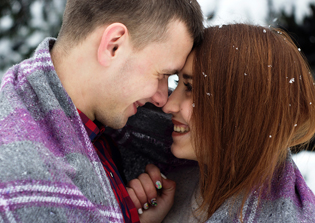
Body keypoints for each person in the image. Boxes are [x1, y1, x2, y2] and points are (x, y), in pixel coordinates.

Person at [0, 0, 204, 222]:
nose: (162, 99)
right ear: (113, 45)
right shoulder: (7, 178)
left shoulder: (96, 130)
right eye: (163, 74)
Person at [126, 24, 315, 222]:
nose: (168, 105)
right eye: (178, 84)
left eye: (190, 87)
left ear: (241, 108)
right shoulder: (176, 183)